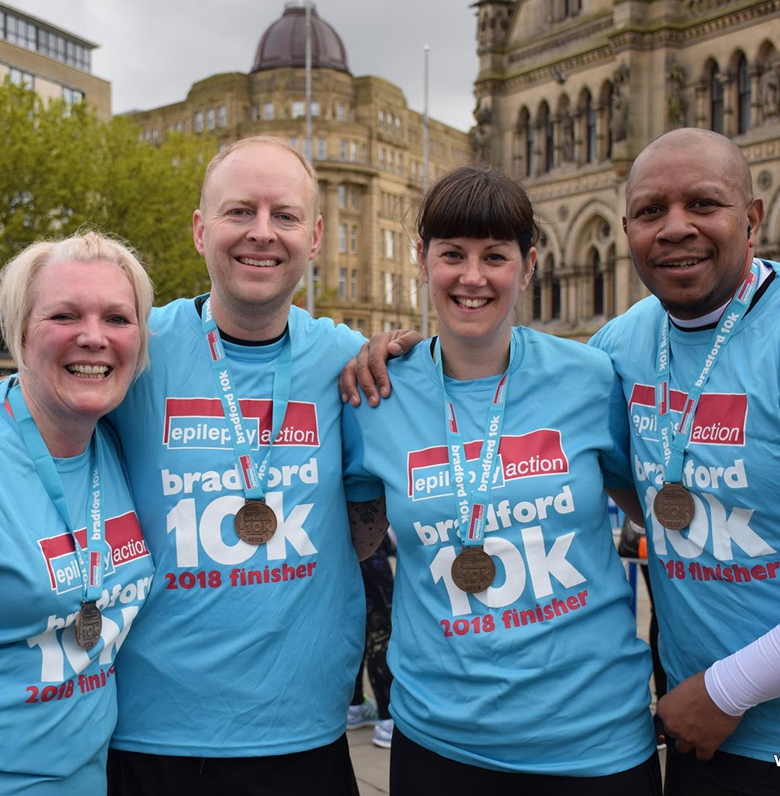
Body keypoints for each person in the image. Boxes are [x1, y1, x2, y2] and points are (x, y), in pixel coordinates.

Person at [341, 166, 660, 795]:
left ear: (530, 262)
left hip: (596, 746)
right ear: (422, 259)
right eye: (452, 254)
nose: (472, 277)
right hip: (439, 745)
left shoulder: (592, 377)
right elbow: (347, 547)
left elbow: (662, 521)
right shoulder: (375, 394)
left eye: (496, 256)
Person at [106, 136, 384, 795]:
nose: (262, 233)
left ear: (314, 237)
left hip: (304, 737)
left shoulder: (352, 362)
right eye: (239, 212)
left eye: (284, 216)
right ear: (201, 230)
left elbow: (369, 519)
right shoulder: (134, 348)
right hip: (150, 737)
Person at [590, 128, 780, 796]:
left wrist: (728, 690)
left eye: (703, 204)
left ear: (752, 218)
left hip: (732, 715)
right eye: (650, 211)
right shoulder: (617, 345)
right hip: (698, 738)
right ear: (626, 229)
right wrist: (400, 356)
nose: (675, 229)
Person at [0, 232, 155, 794]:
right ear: (20, 331)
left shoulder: (115, 441)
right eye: (64, 315)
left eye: (117, 318)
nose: (94, 338)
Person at [347, 534, 395, 748]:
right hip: (369, 539)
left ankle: (355, 707)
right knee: (381, 629)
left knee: (360, 626)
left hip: (349, 541)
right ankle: (388, 721)